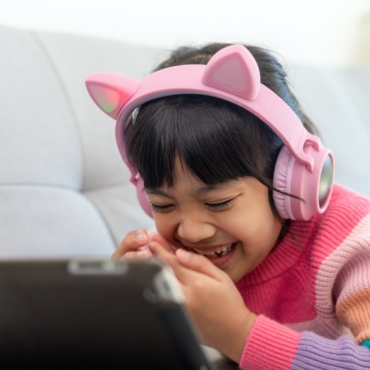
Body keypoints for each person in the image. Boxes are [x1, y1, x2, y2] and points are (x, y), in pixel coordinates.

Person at [86, 43, 370, 369]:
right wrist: (122, 316)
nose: (191, 231)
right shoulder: (168, 260)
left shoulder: (355, 247)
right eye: (163, 205)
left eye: (218, 202)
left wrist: (238, 333)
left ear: (290, 181)